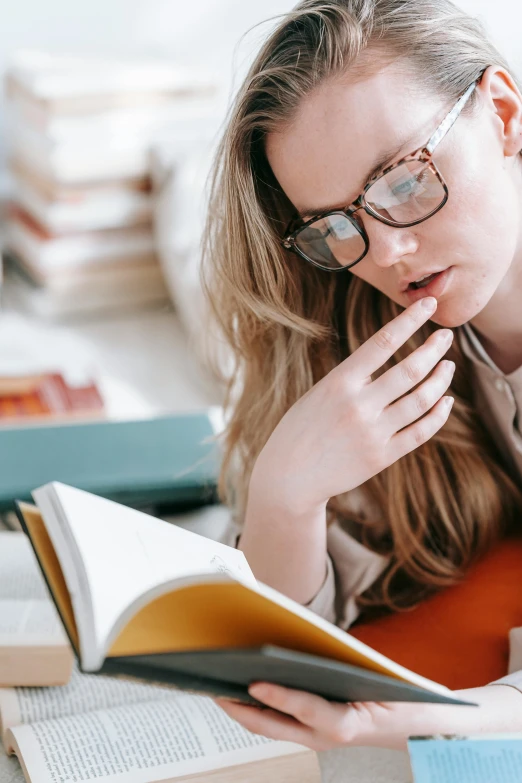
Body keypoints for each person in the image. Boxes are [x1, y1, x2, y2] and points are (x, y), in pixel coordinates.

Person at [201, 0, 522, 751]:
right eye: (337, 224)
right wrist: (283, 494)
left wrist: (440, 715)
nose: (387, 253)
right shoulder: (360, 322)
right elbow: (280, 656)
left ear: (505, 115)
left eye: (404, 181)